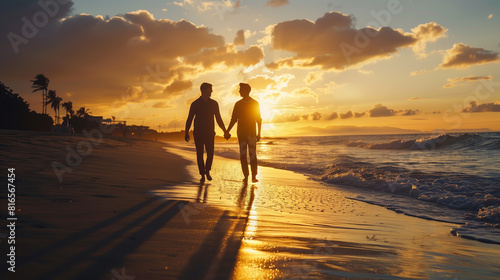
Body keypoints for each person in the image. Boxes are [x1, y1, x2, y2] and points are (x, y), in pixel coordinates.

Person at [185, 82, 228, 182]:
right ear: (203, 90)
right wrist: (186, 132)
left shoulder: (214, 103)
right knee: (199, 154)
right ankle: (202, 174)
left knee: (210, 153)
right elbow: (190, 118)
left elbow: (218, 119)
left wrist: (225, 131)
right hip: (198, 133)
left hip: (210, 132)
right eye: (210, 89)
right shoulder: (195, 104)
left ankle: (207, 170)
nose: (212, 91)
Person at [226, 83, 262, 183]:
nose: (239, 91)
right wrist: (227, 131)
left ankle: (254, 176)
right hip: (241, 133)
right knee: (243, 154)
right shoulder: (238, 104)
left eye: (241, 89)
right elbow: (233, 119)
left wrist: (259, 133)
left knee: (252, 154)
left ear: (246, 91)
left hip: (251, 133)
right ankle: (246, 176)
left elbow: (258, 119)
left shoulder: (255, 103)